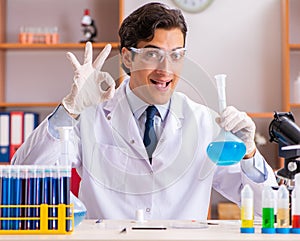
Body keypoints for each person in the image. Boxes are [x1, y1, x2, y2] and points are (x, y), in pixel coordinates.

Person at [12, 2, 277, 220]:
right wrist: (68, 111)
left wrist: (249, 153)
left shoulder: (203, 122)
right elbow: (25, 175)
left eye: (176, 55)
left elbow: (268, 206)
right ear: (127, 57)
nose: (166, 69)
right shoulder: (91, 115)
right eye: (153, 54)